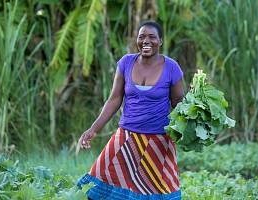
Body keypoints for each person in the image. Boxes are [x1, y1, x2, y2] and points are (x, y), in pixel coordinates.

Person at [77, 21, 184, 200]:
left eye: (152, 37)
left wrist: (194, 124)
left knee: (156, 190)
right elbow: (114, 99)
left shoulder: (171, 67)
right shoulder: (126, 62)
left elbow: (179, 103)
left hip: (158, 140)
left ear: (161, 41)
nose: (146, 41)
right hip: (126, 136)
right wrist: (93, 129)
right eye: (141, 37)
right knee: (99, 181)